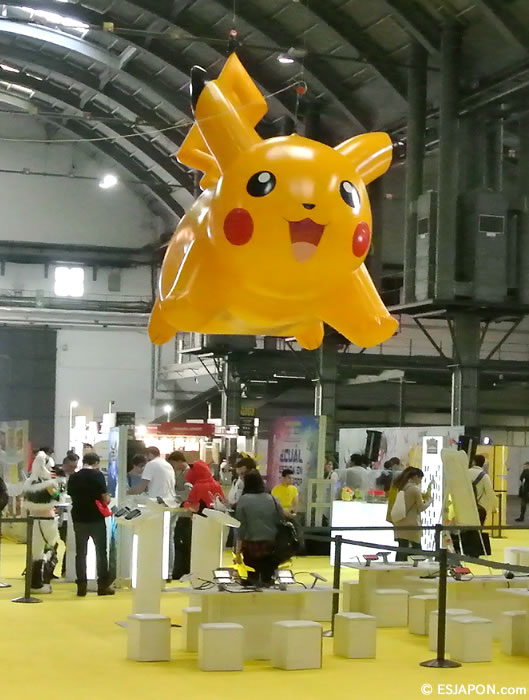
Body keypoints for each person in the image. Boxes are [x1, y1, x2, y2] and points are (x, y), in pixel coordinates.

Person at [67, 453, 114, 596]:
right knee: (101, 552)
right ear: (96, 462)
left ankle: (81, 586)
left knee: (81, 553)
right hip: (96, 518)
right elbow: (104, 498)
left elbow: (71, 494)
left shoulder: (74, 477)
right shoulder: (98, 476)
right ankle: (103, 586)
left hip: (79, 517)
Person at [22, 451, 60, 594]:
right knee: (48, 551)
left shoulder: (28, 483)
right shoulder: (49, 485)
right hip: (47, 521)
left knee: (35, 553)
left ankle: (34, 583)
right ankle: (41, 582)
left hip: (33, 520)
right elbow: (58, 497)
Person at [235, 471, 282, 587]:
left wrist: (238, 551)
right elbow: (280, 519)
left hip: (251, 544)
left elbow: (241, 527)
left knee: (252, 578)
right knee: (268, 579)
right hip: (271, 543)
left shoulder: (244, 500)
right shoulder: (272, 498)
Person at [389, 467, 432, 562]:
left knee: (402, 548)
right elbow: (421, 507)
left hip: (399, 522)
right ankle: (417, 568)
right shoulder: (414, 489)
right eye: (420, 478)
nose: (420, 481)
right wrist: (429, 501)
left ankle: (398, 568)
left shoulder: (400, 486)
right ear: (416, 476)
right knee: (417, 549)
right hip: (412, 524)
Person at [167, 451, 192, 580]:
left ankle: (183, 570)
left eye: (173, 464)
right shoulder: (180, 473)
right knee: (179, 542)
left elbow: (188, 493)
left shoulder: (188, 473)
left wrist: (174, 497)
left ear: (179, 461)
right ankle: (180, 569)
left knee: (183, 543)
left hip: (186, 512)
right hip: (180, 511)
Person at [469, 454, 497, 525]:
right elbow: (490, 492)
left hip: (466, 507)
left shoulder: (465, 473)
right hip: (480, 508)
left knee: (465, 529)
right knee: (478, 528)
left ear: (473, 462)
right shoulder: (484, 476)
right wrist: (494, 507)